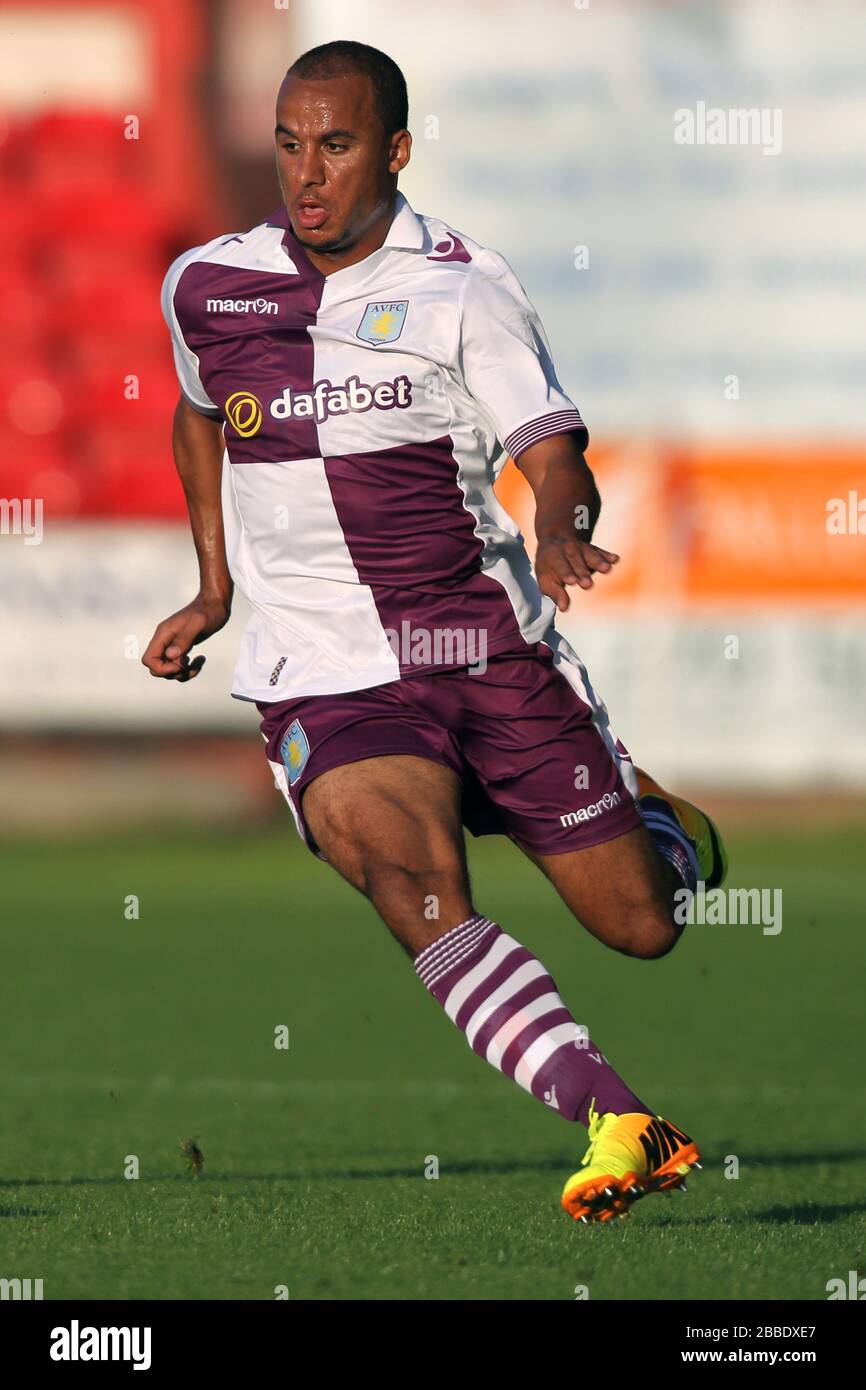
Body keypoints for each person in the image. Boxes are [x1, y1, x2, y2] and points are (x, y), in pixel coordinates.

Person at [144, 40, 726, 1225]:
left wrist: (558, 527)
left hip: (480, 653)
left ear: (396, 150)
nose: (307, 176)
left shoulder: (464, 285)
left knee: (642, 926)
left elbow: (551, 451)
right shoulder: (207, 284)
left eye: (339, 145)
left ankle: (658, 822)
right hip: (324, 674)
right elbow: (197, 416)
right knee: (410, 881)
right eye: (291, 145)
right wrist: (215, 588)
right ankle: (621, 1121)